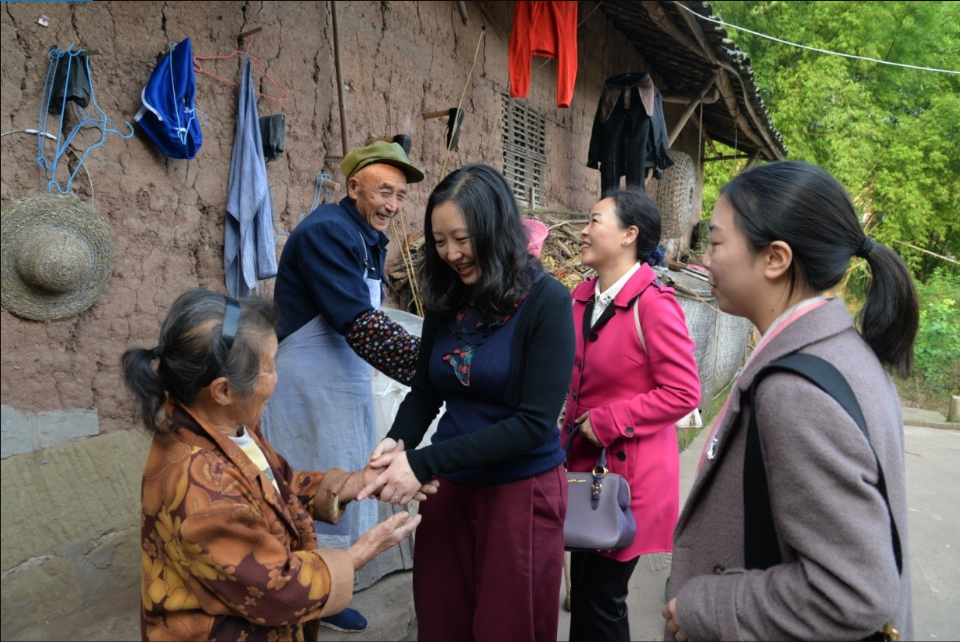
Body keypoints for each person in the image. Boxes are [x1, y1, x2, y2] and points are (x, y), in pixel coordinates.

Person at [663, 161, 917, 641]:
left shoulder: (796, 391)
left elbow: (853, 591)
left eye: (716, 242)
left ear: (775, 258)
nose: (706, 259)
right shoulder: (842, 350)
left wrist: (706, 605)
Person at [121, 289, 434, 641]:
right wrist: (361, 553)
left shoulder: (230, 426)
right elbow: (275, 587)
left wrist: (357, 482)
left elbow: (279, 487)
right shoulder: (203, 488)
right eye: (269, 368)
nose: (277, 379)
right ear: (223, 391)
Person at [357, 163, 576, 641]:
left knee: (508, 628)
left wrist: (423, 462)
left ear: (495, 230)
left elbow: (533, 424)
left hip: (519, 493)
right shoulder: (447, 297)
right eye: (440, 241)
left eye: (462, 238)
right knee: (442, 622)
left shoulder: (549, 303)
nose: (452, 253)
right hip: (450, 489)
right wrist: (398, 442)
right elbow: (426, 390)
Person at [261, 141, 425, 631]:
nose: (392, 205)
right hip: (311, 383)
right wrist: (428, 370)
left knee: (342, 481)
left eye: (400, 196)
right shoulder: (328, 232)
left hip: (342, 379)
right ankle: (302, 599)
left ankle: (325, 590)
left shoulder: (365, 235)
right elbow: (358, 321)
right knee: (311, 483)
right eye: (383, 192)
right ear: (354, 187)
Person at [562, 186, 701, 641]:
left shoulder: (655, 304)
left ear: (629, 235)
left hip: (629, 481)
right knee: (586, 595)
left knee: (602, 601)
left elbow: (684, 392)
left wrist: (606, 420)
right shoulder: (581, 299)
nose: (583, 231)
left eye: (594, 221)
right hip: (584, 472)